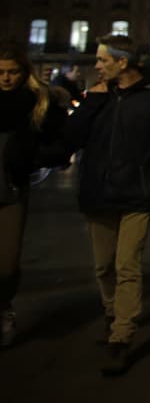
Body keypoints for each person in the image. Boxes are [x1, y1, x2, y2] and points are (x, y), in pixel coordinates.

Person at [63, 35, 150, 375]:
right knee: (104, 266)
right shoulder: (98, 95)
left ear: (123, 63)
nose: (97, 66)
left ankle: (121, 336)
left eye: (103, 60)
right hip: (98, 192)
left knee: (127, 264)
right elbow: (71, 138)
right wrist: (90, 105)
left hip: (137, 193)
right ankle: (112, 312)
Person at [0, 42, 64, 349]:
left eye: (12, 72)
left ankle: (4, 307)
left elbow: (60, 140)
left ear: (24, 73)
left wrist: (34, 159)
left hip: (11, 188)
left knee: (7, 262)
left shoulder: (36, 103)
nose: (6, 78)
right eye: (0, 72)